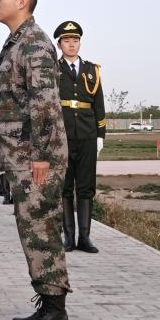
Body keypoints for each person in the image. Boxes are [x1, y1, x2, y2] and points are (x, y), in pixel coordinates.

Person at [0, 0, 71, 320]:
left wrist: (41, 156)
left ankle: (55, 314)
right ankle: (47, 305)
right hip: (23, 157)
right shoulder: (16, 42)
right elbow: (8, 97)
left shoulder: (35, 43)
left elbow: (45, 105)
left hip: (35, 159)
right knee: (33, 228)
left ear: (23, 1)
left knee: (42, 229)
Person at [53, 21, 106, 254]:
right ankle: (68, 238)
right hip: (62, 135)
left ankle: (85, 237)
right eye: (67, 41)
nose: (71, 45)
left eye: (75, 41)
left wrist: (100, 135)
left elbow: (98, 104)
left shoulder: (92, 70)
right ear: (59, 44)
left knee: (86, 187)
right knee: (65, 187)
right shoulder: (53, 70)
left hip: (87, 134)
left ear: (80, 43)